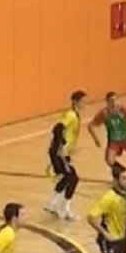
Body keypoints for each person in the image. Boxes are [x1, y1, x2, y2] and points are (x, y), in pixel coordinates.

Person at [45, 90, 87, 219]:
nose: (84, 104)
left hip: (63, 153)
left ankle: (52, 204)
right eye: (82, 101)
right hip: (60, 153)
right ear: (75, 102)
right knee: (73, 178)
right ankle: (64, 209)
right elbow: (58, 128)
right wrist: (61, 144)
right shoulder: (71, 115)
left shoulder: (75, 115)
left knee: (66, 177)